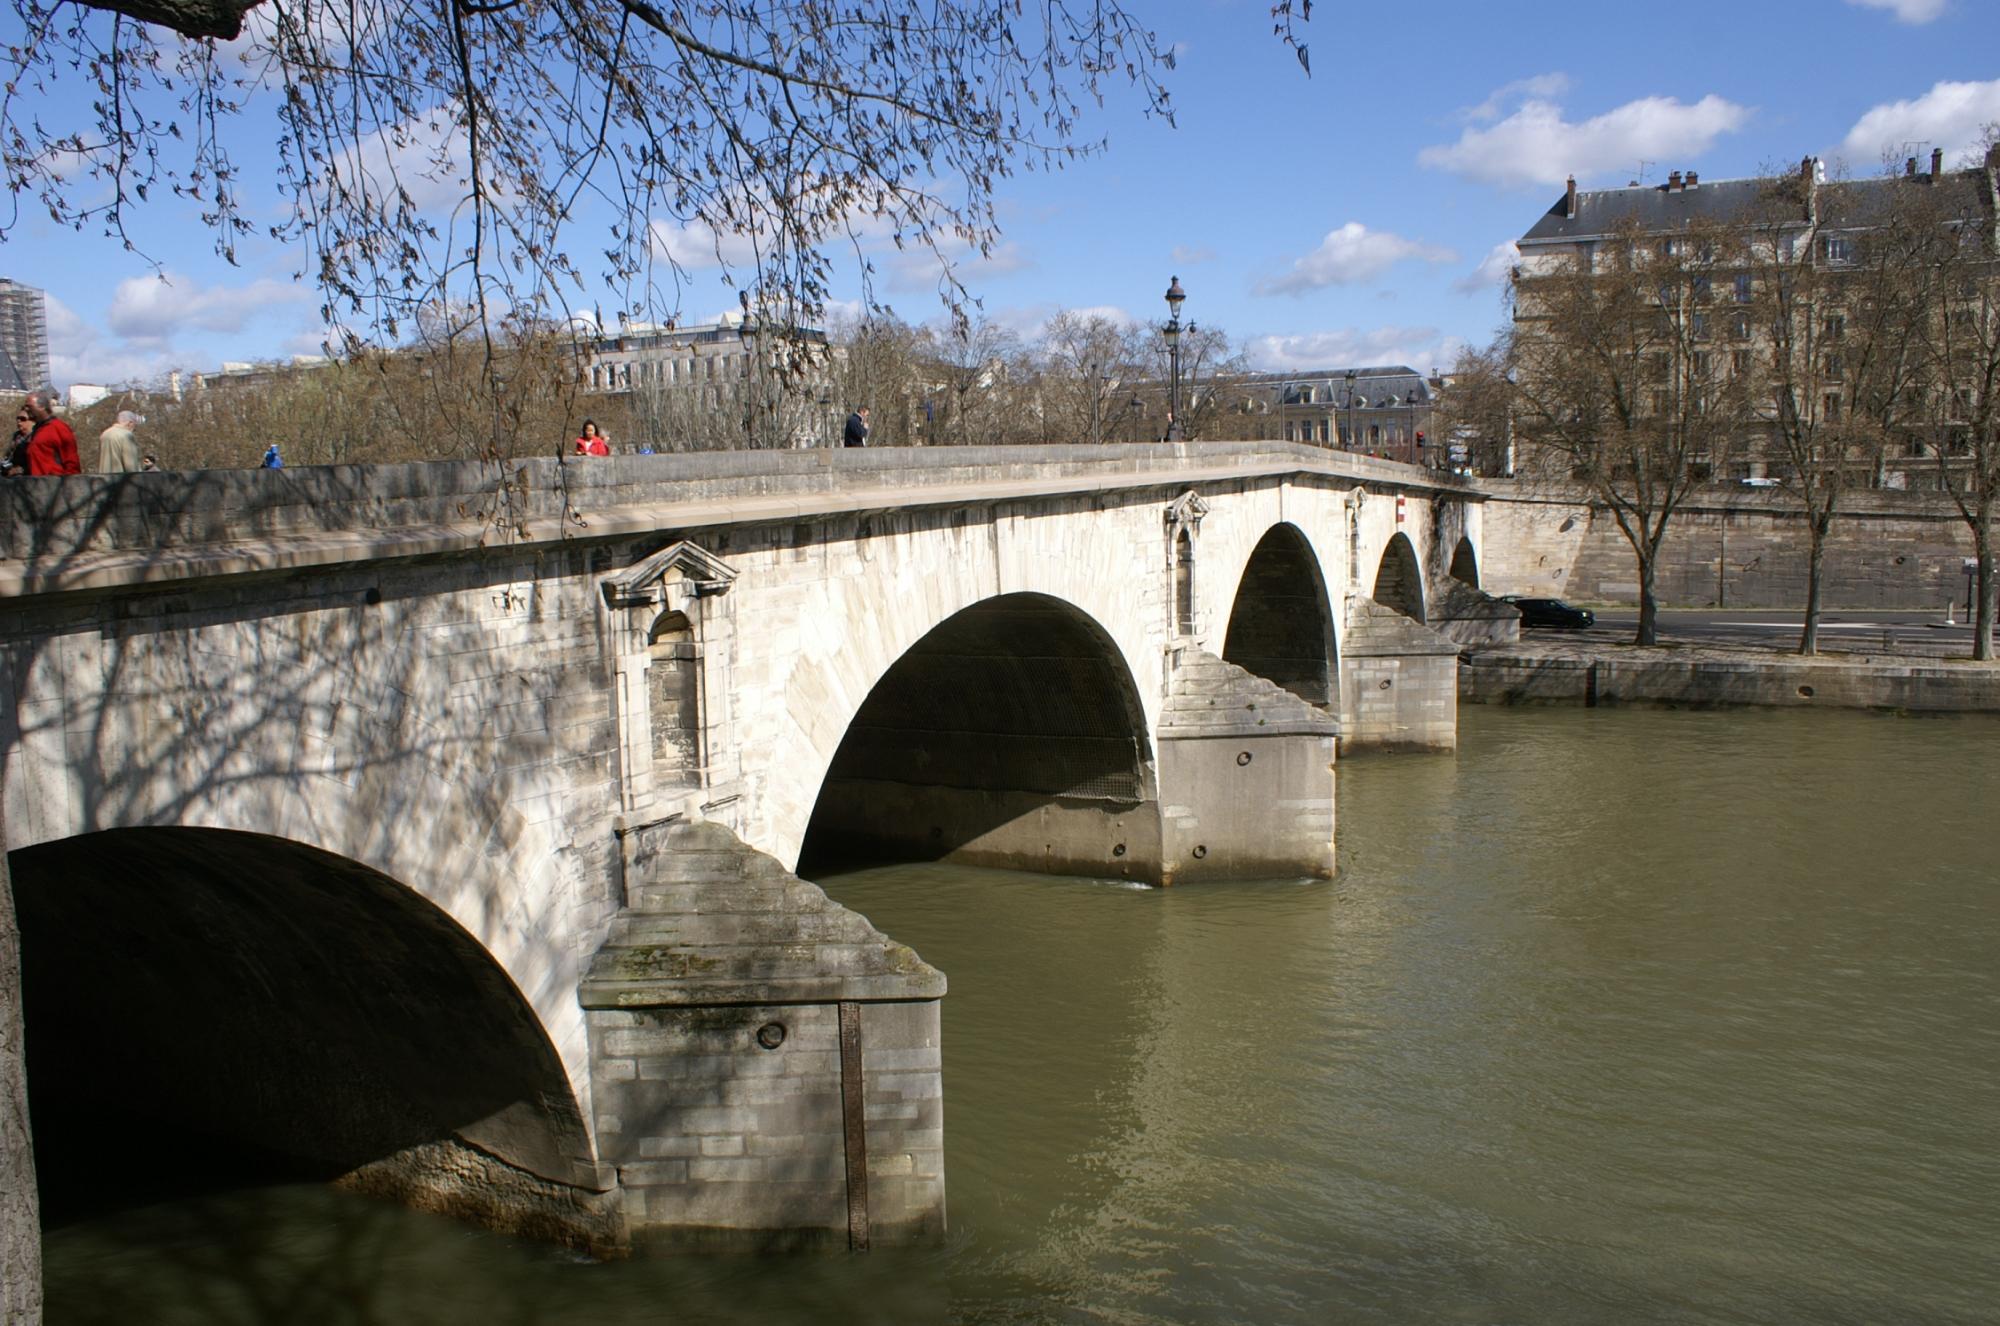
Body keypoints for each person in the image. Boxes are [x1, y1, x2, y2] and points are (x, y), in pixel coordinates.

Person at [21, 387, 80, 476]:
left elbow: (71, 463)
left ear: (42, 406)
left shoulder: (59, 428)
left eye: (29, 406)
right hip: (36, 485)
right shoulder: (37, 431)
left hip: (53, 486)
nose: (26, 409)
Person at [3, 407, 31, 476]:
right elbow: (8, 456)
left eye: (23, 419)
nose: (19, 421)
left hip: (26, 478)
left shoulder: (35, 437)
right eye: (18, 418)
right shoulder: (16, 435)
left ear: (32, 421)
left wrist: (18, 470)